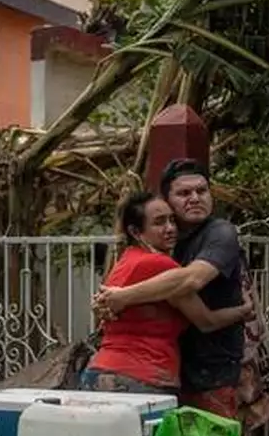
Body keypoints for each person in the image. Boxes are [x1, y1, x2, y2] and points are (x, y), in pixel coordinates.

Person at [94, 159, 246, 418]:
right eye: (184, 193)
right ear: (167, 200)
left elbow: (191, 280)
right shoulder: (163, 252)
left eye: (202, 191)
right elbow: (203, 317)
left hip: (211, 370)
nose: (195, 198)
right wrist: (244, 311)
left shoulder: (220, 233)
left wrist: (123, 297)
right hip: (154, 373)